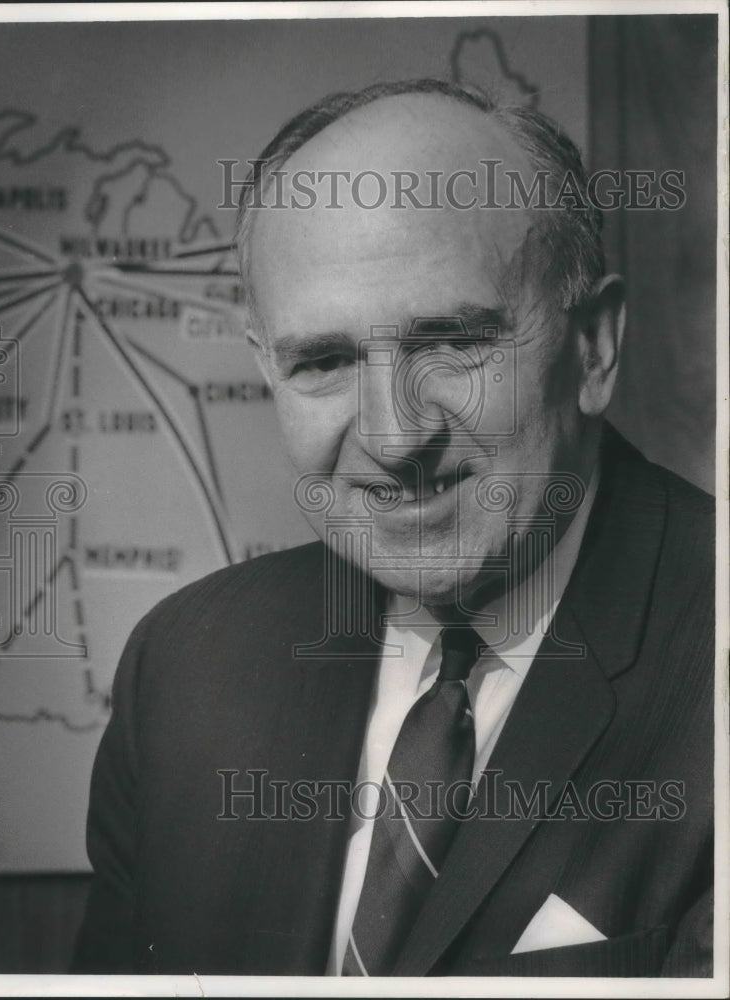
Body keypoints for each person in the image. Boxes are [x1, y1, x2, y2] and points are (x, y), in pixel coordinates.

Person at [71, 79, 714, 977]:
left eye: (450, 342)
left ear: (595, 347)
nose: (392, 436)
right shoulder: (181, 666)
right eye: (324, 360)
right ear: (266, 368)